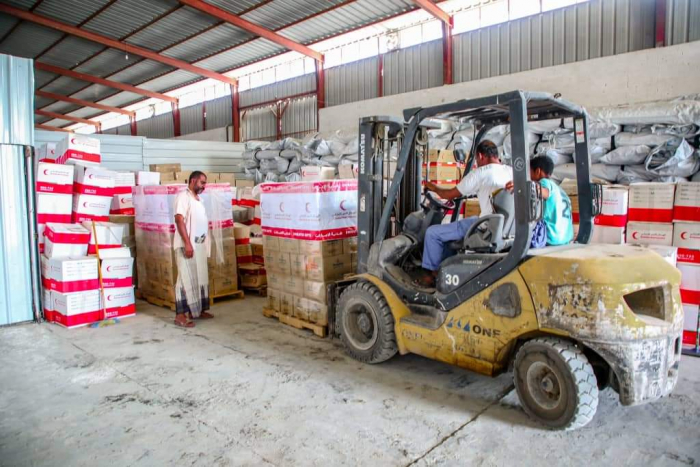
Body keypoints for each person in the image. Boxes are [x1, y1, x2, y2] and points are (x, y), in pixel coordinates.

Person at [420, 140, 512, 286]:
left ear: (480, 156)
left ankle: (431, 276)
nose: (476, 163)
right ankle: (446, 265)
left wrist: (433, 187)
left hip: (485, 228)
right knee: (467, 221)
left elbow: (449, 194)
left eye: (476, 160)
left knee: (432, 233)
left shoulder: (481, 173)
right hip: (503, 228)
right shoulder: (510, 171)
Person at [172, 171, 214, 327]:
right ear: (193, 180)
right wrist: (187, 243)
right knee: (185, 279)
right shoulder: (183, 197)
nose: (204, 186)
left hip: (200, 244)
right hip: (188, 244)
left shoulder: (199, 200)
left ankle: (197, 310)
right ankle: (180, 315)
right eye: (202, 183)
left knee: (200, 277)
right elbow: (179, 219)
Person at [506, 156, 573, 246]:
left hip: (551, 238)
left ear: (538, 171)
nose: (528, 176)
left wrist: (521, 185)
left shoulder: (545, 182)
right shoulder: (561, 191)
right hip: (566, 239)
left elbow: (542, 191)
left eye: (529, 172)